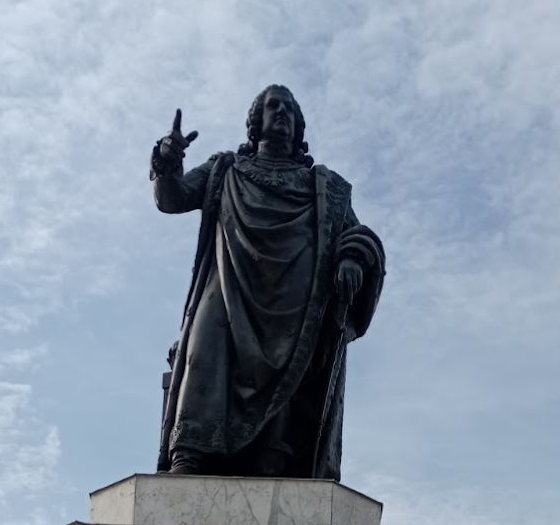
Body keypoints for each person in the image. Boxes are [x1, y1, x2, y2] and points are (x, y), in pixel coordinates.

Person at [151, 85, 385, 479]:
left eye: (289, 109)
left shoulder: (322, 187)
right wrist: (166, 160)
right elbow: (171, 197)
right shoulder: (225, 171)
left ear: (298, 126)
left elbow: (358, 234)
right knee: (203, 349)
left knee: (292, 362)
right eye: (272, 106)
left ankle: (272, 457)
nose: (281, 113)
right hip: (227, 287)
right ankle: (187, 454)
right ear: (254, 121)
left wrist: (353, 257)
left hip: (295, 300)